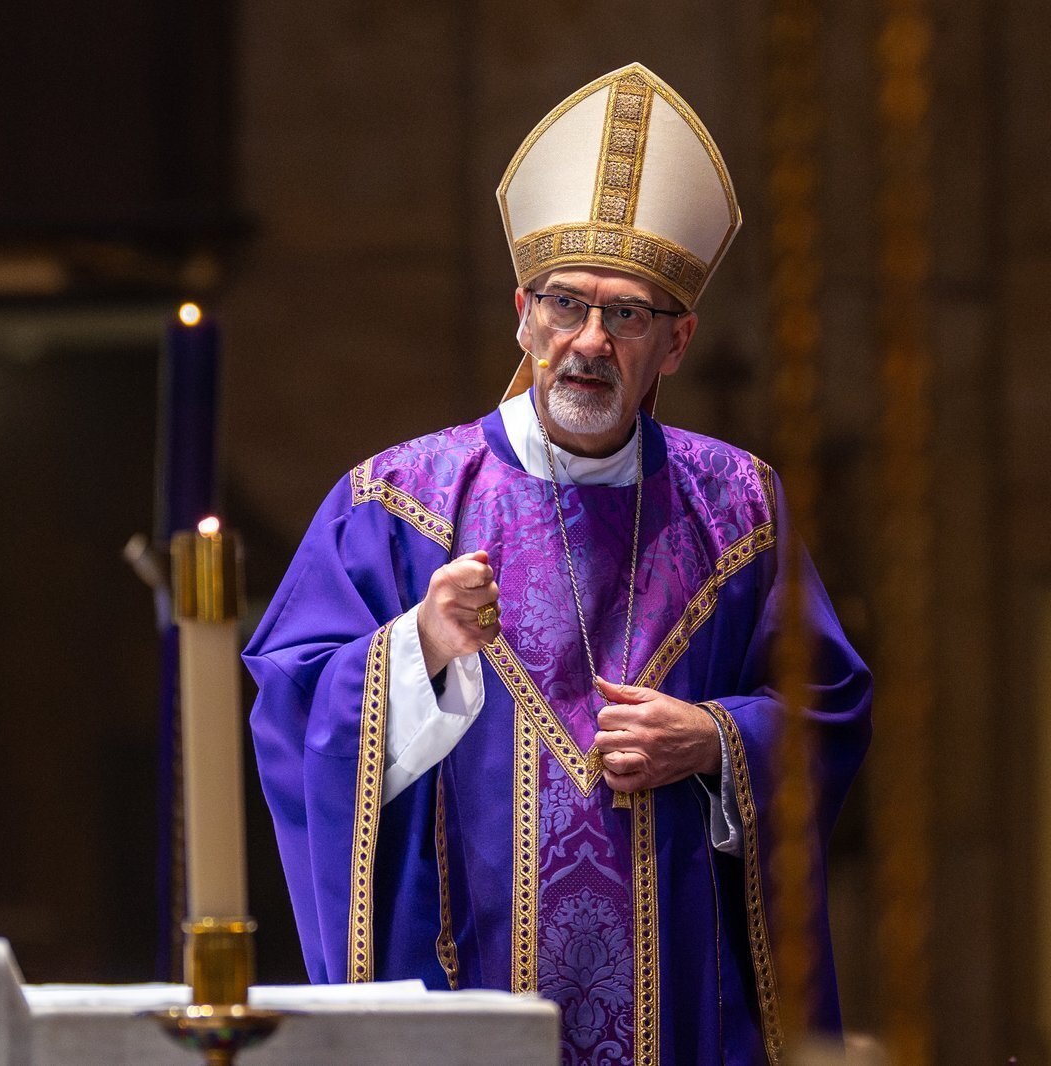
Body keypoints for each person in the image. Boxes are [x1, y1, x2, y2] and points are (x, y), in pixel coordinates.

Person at [242, 63, 872, 1065]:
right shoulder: (395, 503)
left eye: (627, 315)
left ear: (676, 343)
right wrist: (418, 647)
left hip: (680, 1013)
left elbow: (828, 712)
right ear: (521, 313)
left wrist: (715, 741)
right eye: (564, 304)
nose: (588, 341)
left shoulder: (739, 507)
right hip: (463, 994)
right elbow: (291, 714)